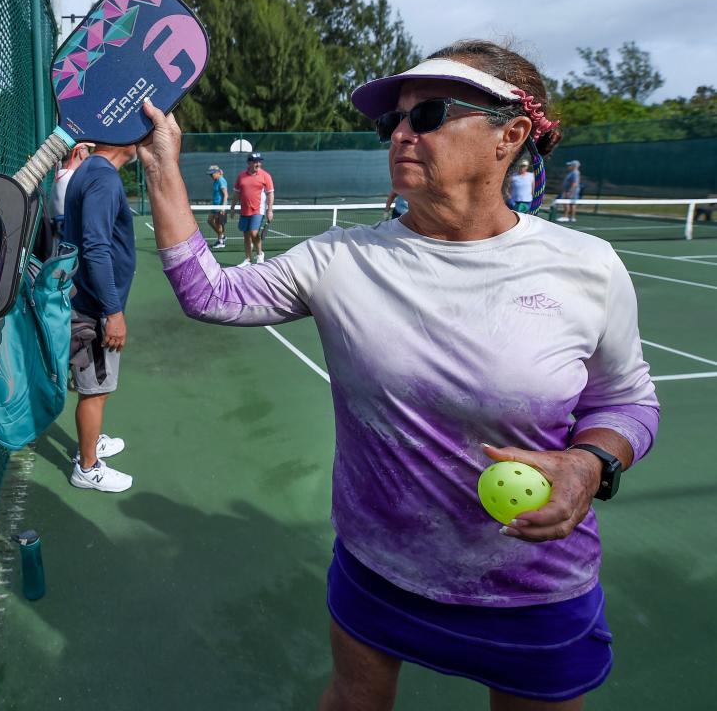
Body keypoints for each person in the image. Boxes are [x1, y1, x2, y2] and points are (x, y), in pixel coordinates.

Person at [138, 40, 658, 709]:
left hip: (534, 586)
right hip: (379, 570)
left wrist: (590, 466)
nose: (403, 133)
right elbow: (210, 294)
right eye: (394, 122)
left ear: (512, 135)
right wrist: (161, 168)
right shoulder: (339, 260)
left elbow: (627, 400)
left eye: (430, 114)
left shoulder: (588, 266)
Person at [61, 141, 137, 493]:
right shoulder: (103, 178)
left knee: (96, 388)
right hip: (93, 310)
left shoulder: (90, 171)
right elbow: (95, 247)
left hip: (89, 303)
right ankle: (87, 466)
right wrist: (113, 311)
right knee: (95, 390)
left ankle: (92, 441)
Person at [233, 152, 274, 266]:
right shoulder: (241, 176)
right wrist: (232, 207)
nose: (258, 164)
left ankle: (260, 254)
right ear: (249, 163)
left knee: (253, 232)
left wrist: (269, 210)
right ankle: (248, 259)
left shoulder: (265, 176)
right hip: (244, 210)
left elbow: (270, 194)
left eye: (259, 161)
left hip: (258, 209)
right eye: (255, 161)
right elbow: (236, 193)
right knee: (246, 234)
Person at [50, 142, 92, 237]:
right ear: (81, 151)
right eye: (88, 150)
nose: (89, 155)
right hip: (70, 245)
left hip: (59, 244)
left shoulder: (60, 176)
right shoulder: (72, 179)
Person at [207, 164, 229, 248]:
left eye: (212, 174)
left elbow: (226, 195)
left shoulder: (221, 180)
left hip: (220, 207)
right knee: (210, 220)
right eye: (210, 174)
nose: (210, 175)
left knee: (219, 224)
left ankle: (221, 242)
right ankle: (222, 236)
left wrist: (223, 207)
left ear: (217, 172)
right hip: (214, 206)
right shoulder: (216, 180)